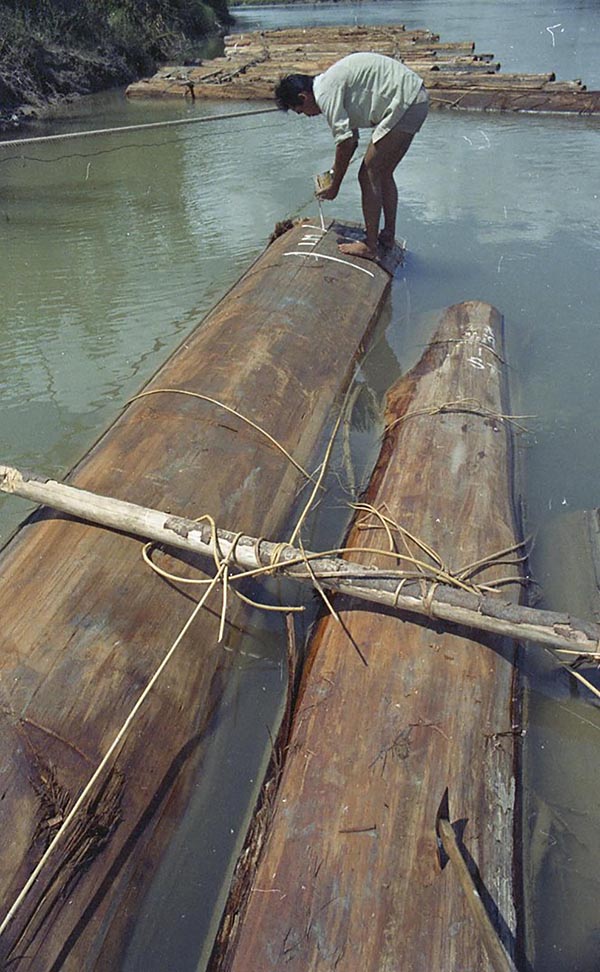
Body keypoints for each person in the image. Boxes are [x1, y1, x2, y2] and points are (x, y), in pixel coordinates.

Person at [274, 52, 428, 261]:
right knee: (383, 172)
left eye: (300, 111)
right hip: (415, 98)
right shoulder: (330, 85)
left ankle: (371, 246)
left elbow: (345, 143)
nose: (307, 115)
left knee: (368, 174)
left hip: (404, 102)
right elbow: (352, 140)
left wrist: (335, 185)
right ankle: (388, 235)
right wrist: (333, 174)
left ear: (304, 97)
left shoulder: (325, 93)